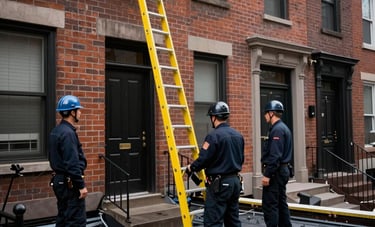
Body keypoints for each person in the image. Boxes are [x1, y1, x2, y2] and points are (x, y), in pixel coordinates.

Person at [187, 101, 244, 227]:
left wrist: (191, 167)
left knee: (213, 221)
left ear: (214, 117)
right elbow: (241, 159)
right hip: (235, 182)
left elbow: (203, 159)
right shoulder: (238, 135)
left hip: (219, 185)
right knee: (233, 220)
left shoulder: (213, 136)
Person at [48, 95, 88, 226]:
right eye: (78, 110)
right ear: (72, 112)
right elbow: (72, 163)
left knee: (63, 217)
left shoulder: (56, 131)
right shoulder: (68, 133)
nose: (80, 112)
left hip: (59, 181)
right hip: (69, 184)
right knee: (75, 221)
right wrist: (81, 186)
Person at [261, 100, 292, 227]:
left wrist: (267, 174)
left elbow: (275, 156)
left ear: (271, 113)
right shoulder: (282, 128)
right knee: (281, 203)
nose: (265, 116)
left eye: (266, 113)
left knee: (270, 205)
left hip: (276, 173)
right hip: (282, 170)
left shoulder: (277, 130)